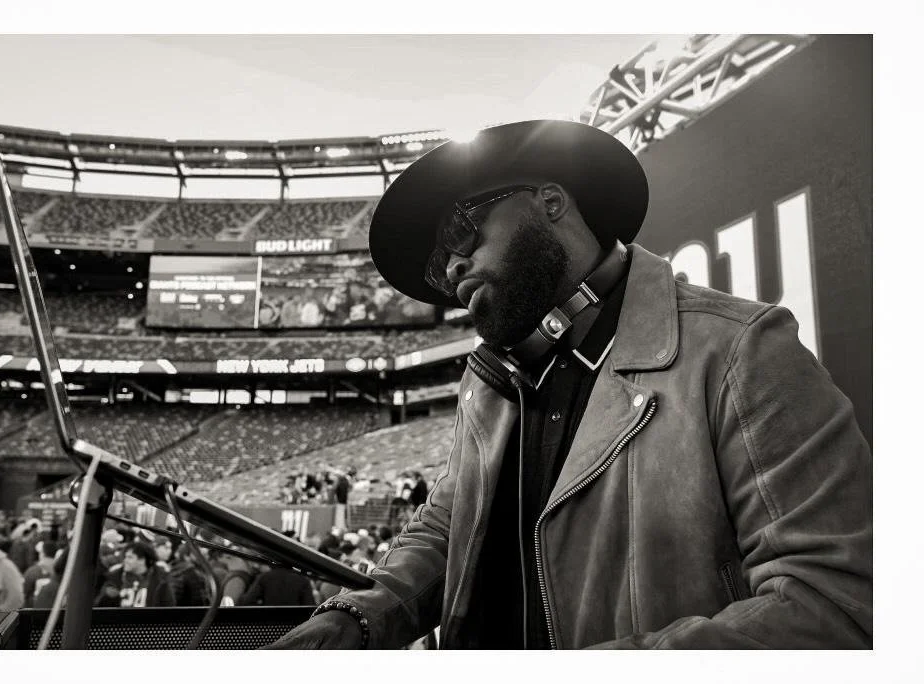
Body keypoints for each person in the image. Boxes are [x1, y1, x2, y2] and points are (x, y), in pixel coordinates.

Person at [265, 119, 872, 649]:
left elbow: (834, 606)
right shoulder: (494, 385)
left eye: (459, 232)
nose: (449, 270)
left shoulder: (742, 349)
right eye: (436, 265)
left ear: (550, 201)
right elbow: (451, 531)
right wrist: (355, 620)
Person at [96, 541, 174, 608]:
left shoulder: (160, 580)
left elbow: (168, 609)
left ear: (142, 560)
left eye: (130, 557)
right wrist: (107, 597)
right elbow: (97, 607)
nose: (125, 560)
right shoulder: (114, 578)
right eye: (125, 557)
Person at [22, 540, 59, 608]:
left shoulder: (32, 571)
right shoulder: (61, 571)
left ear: (42, 553)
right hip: (56, 609)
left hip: (34, 611)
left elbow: (24, 593)